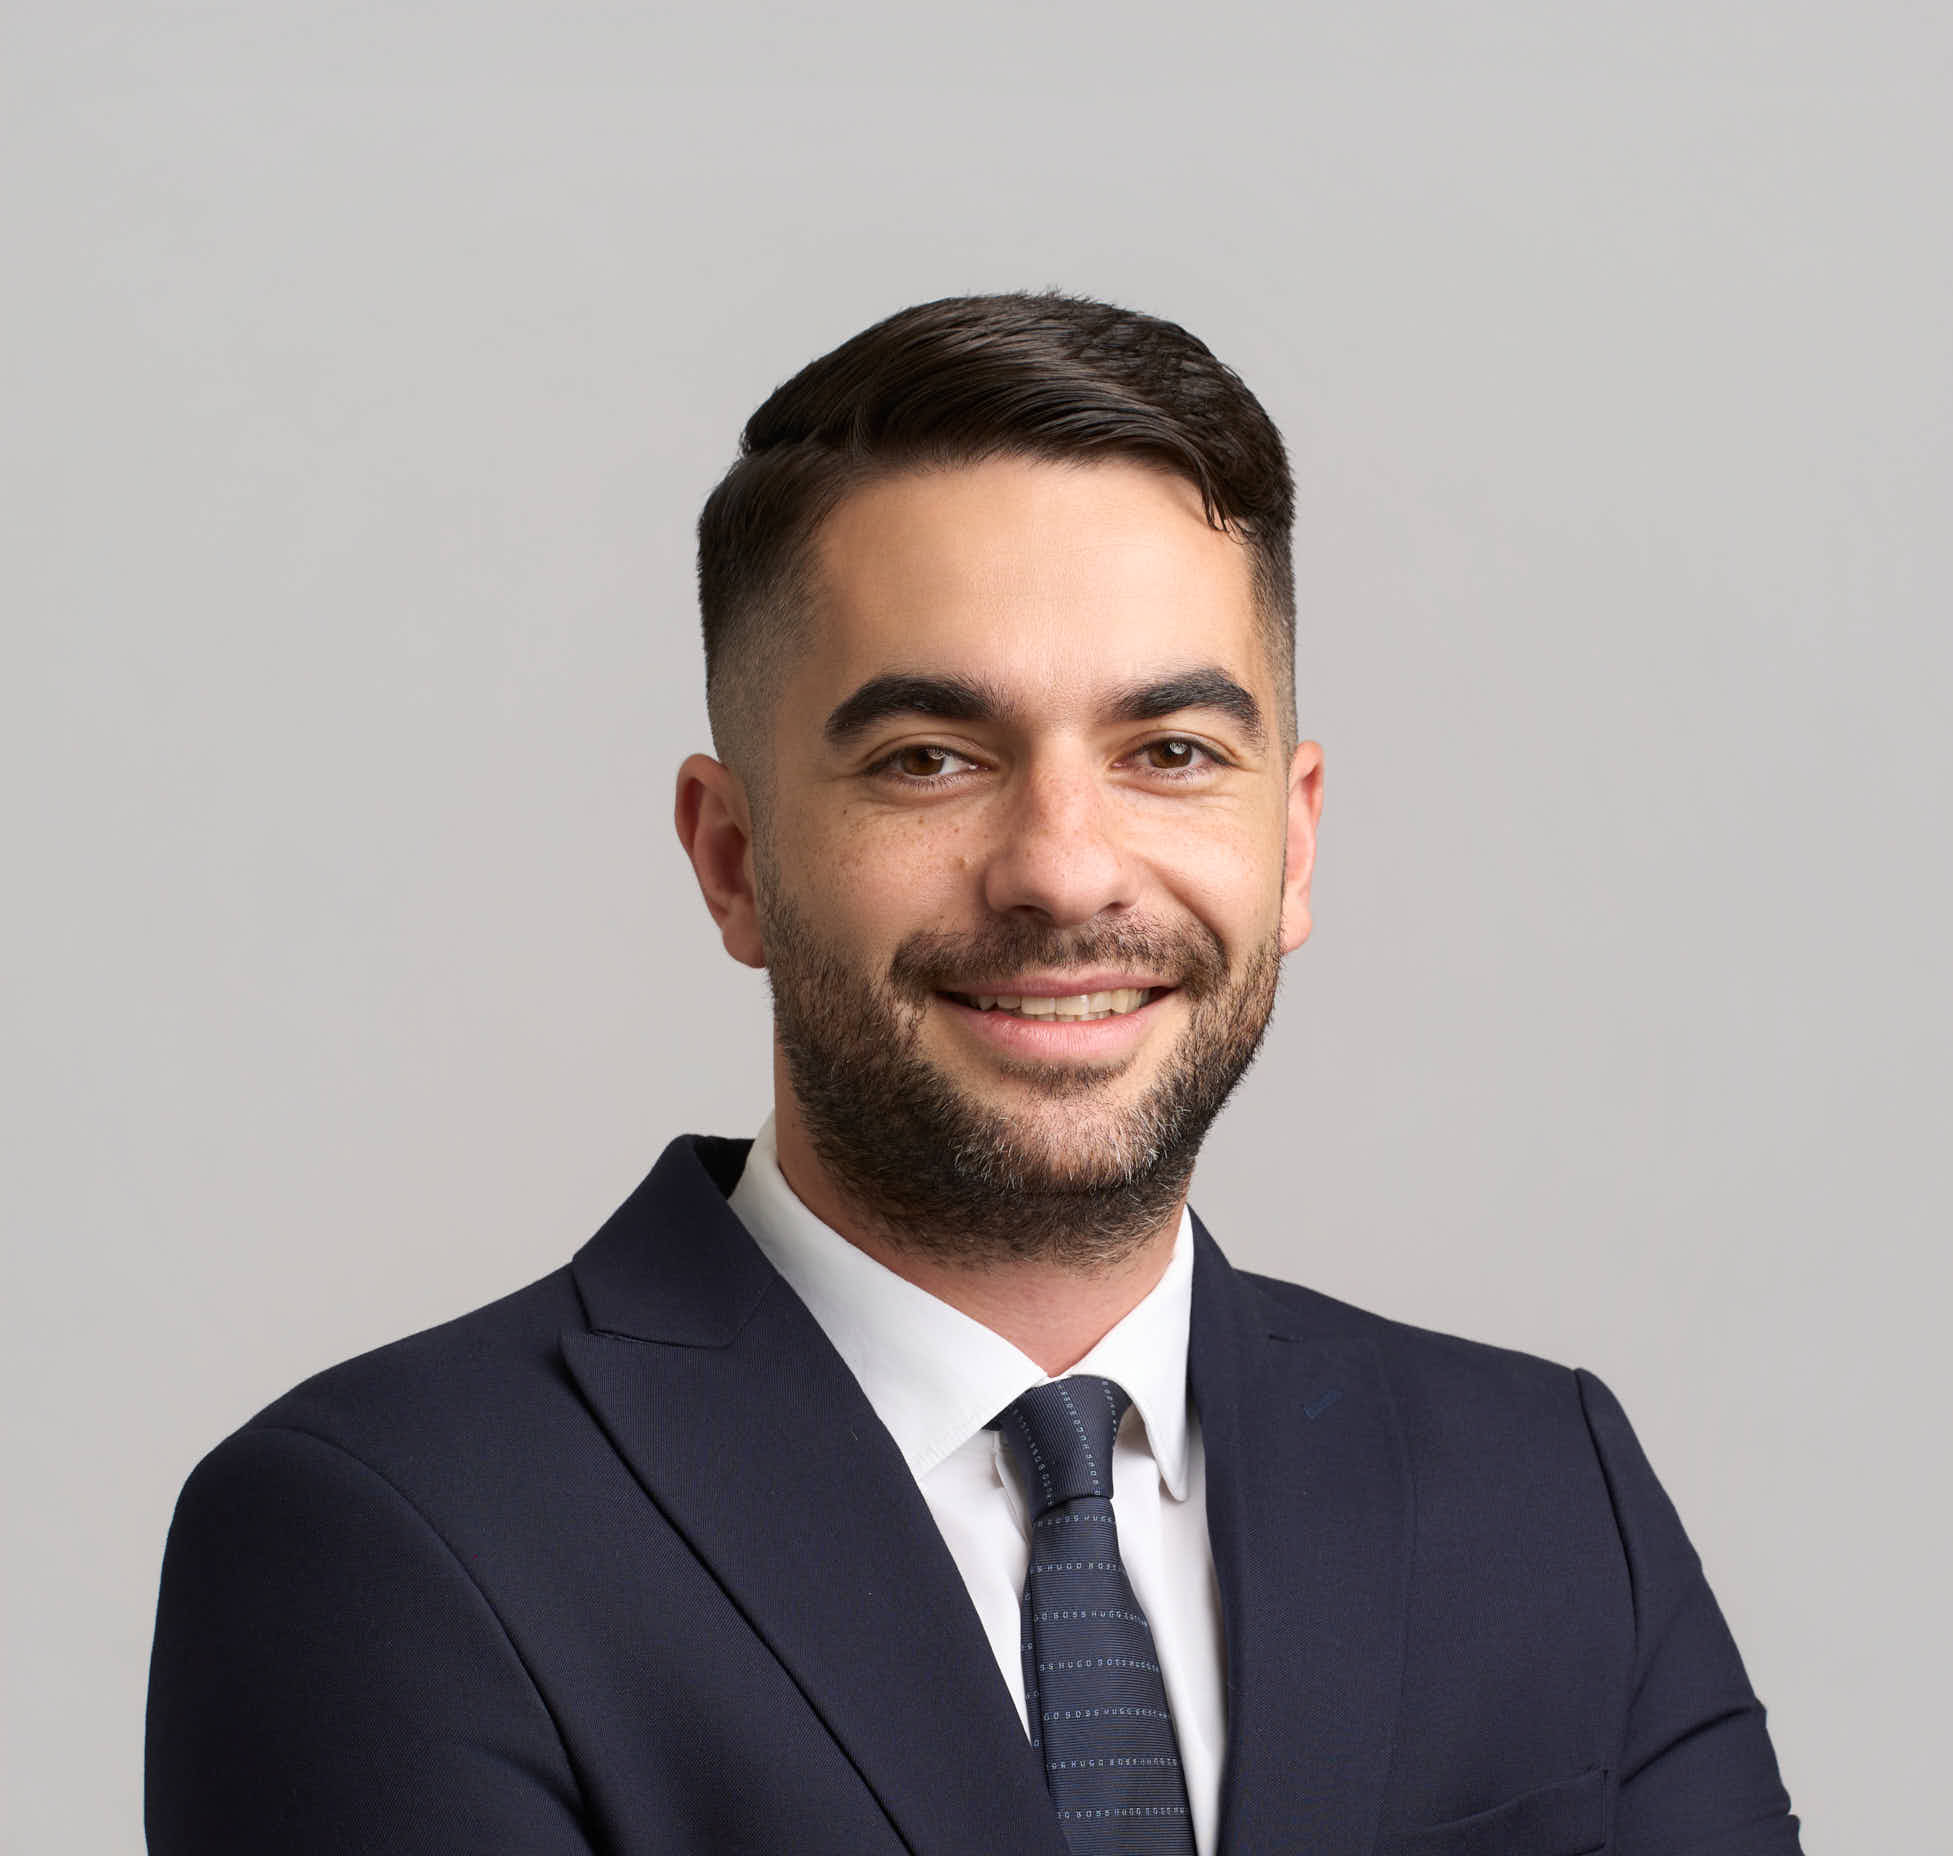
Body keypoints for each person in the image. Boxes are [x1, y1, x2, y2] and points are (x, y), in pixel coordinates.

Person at [146, 294, 1803, 1854]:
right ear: (732, 859)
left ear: (1292, 843)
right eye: (930, 759)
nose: (1064, 872)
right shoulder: (388, 1536)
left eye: (1171, 753)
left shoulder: (1546, 1490)